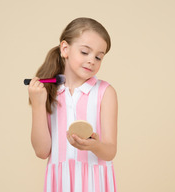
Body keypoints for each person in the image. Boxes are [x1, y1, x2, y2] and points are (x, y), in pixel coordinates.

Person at [28, 17, 118, 192]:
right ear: (65, 49)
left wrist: (95, 146)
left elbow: (110, 151)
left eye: (99, 57)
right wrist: (38, 105)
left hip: (95, 183)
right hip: (60, 184)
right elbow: (41, 151)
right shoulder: (49, 92)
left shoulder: (105, 93)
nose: (92, 60)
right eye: (85, 52)